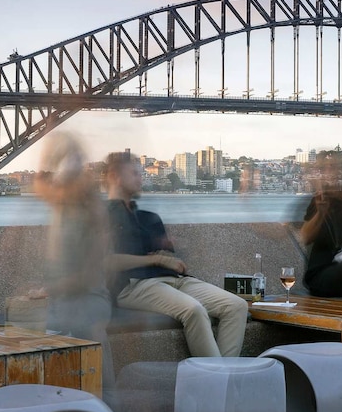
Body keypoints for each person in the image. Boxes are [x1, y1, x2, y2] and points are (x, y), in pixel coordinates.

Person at [104, 151, 248, 357]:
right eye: (134, 173)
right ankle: (218, 380)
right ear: (114, 177)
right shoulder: (104, 216)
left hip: (173, 280)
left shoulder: (146, 217)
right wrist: (158, 258)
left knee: (236, 306)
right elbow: (107, 262)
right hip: (134, 285)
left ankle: (219, 381)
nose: (140, 177)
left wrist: (166, 250)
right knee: (194, 311)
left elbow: (164, 253)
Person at [33, 132, 115, 393]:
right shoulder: (61, 205)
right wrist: (55, 150)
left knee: (80, 322)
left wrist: (48, 290)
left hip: (91, 298)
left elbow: (89, 277)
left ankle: (103, 398)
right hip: (61, 300)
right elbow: (40, 184)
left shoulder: (95, 214)